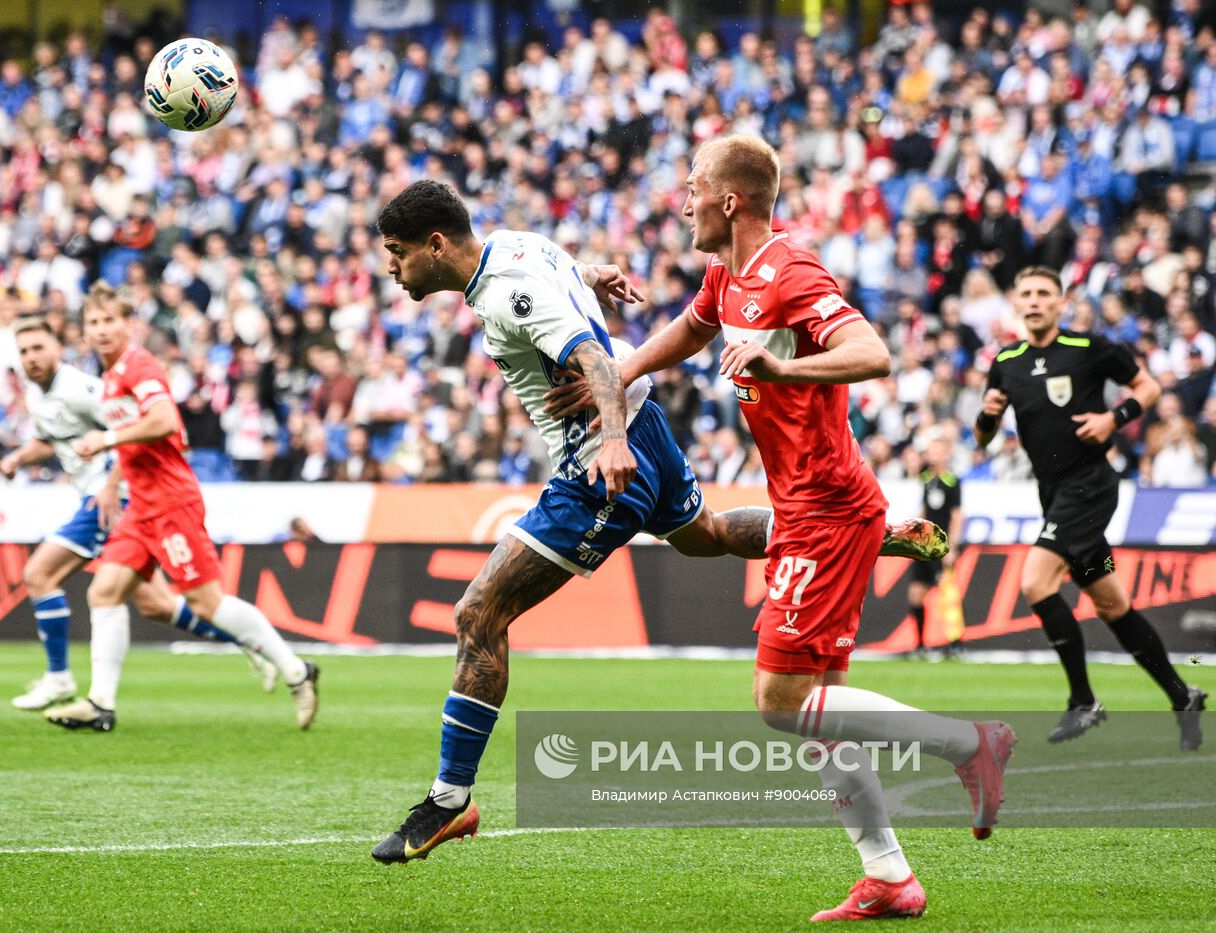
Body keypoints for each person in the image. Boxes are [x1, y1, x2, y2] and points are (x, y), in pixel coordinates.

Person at [366, 180, 948, 867]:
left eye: (399, 253)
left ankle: (448, 796)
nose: (392, 268)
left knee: (477, 614)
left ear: (437, 244)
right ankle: (862, 533)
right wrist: (591, 277)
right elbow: (556, 280)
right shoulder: (517, 246)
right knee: (704, 536)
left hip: (605, 458)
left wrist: (610, 440)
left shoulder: (507, 291)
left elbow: (588, 353)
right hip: (651, 426)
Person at [553, 136, 1014, 922]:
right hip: (811, 507)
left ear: (729, 199)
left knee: (779, 699)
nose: (683, 197)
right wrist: (619, 376)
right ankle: (891, 879)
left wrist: (783, 370)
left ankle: (970, 743)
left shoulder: (790, 271)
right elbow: (694, 330)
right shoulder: (727, 274)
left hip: (829, 511)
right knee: (819, 709)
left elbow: (871, 354)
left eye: (694, 185)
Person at [43, 286, 319, 732]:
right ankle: (100, 704)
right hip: (140, 505)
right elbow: (137, 439)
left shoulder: (139, 366)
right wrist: (115, 480)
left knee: (206, 603)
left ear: (128, 324)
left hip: (170, 502)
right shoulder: (111, 376)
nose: (101, 330)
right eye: (93, 323)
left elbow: (165, 421)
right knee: (105, 592)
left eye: (109, 320)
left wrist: (105, 440)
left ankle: (296, 670)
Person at [975, 266, 1204, 749]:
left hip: (1090, 486)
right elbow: (983, 435)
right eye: (1027, 294)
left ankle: (1083, 701)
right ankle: (1184, 695)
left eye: (1045, 293)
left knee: (1035, 582)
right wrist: (986, 417)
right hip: (1053, 494)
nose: (1035, 301)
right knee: (1111, 604)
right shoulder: (1007, 360)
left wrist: (1113, 419)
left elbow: (1148, 388)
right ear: (1015, 304)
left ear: (1062, 303)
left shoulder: (1089, 348)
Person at [1, 317, 278, 711]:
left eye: (38, 347)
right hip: (105, 496)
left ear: (57, 348)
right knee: (158, 605)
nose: (32, 357)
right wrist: (17, 458)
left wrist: (113, 485)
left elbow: (131, 426)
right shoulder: (38, 396)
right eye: (24, 351)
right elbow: (56, 441)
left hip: (113, 499)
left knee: (39, 574)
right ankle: (249, 642)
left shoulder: (81, 389)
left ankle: (60, 678)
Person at [906, 436, 965, 659]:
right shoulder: (925, 479)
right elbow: (923, 511)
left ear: (946, 454)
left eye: (939, 451)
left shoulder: (953, 481)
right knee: (916, 594)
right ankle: (920, 645)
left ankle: (956, 644)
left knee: (947, 595)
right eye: (931, 451)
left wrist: (952, 546)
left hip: (941, 547)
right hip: (924, 547)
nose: (935, 456)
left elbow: (957, 515)